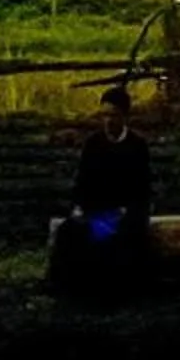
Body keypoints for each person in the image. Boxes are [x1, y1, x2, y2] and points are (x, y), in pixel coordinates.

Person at [50, 85, 154, 293]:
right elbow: (83, 182)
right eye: (104, 115)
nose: (108, 121)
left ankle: (111, 292)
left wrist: (126, 211)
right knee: (68, 231)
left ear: (125, 117)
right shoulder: (94, 144)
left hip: (125, 214)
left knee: (113, 237)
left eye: (114, 115)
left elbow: (142, 189)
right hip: (96, 210)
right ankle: (67, 289)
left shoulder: (137, 146)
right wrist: (78, 207)